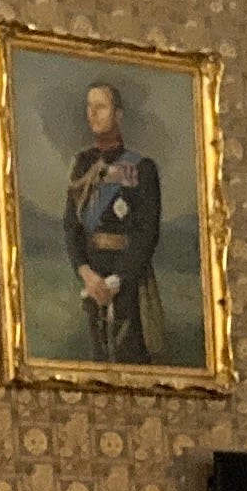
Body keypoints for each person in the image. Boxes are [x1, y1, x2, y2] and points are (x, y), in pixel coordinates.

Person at [62, 81, 164, 364]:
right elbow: (71, 225)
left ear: (118, 115)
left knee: (130, 357)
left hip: (127, 279)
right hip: (91, 278)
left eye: (101, 107)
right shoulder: (81, 165)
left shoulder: (142, 168)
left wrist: (117, 280)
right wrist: (86, 273)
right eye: (89, 107)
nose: (92, 113)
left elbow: (147, 232)